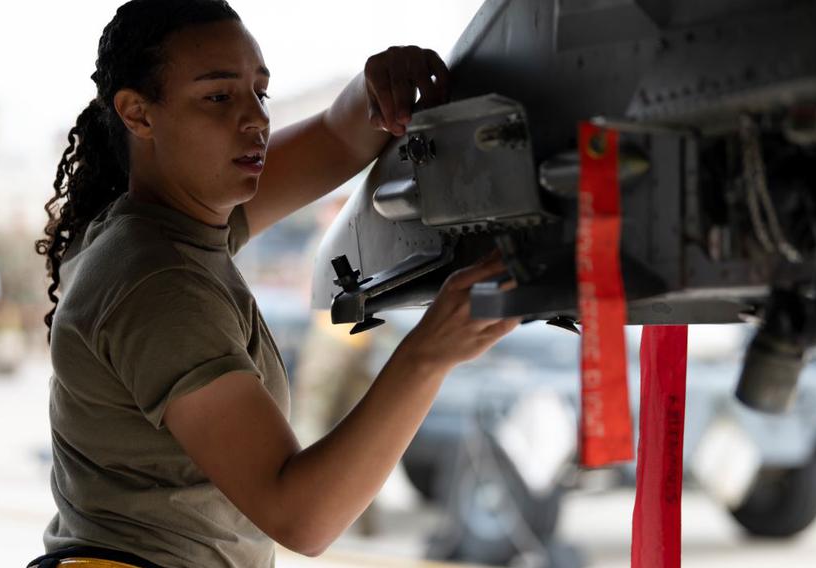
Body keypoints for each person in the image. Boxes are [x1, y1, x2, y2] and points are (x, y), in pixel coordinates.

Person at [30, 1, 519, 567]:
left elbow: (339, 138)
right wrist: (430, 353)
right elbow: (302, 516)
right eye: (218, 97)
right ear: (138, 114)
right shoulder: (157, 281)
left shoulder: (176, 221)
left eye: (258, 93)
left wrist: (378, 89)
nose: (255, 119)